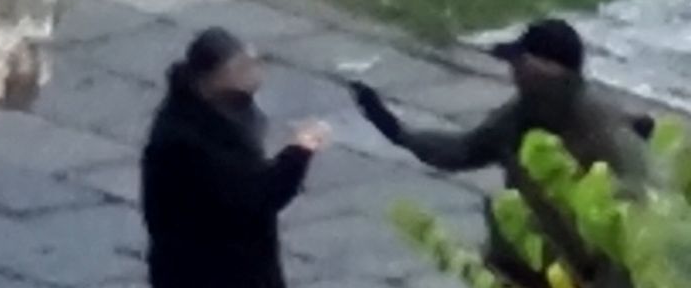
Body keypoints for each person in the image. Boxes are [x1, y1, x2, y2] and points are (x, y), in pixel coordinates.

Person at [350, 18, 653, 286]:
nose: (514, 72)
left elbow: (632, 222)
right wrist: (398, 132)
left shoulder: (604, 130)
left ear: (549, 71)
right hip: (521, 262)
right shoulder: (521, 115)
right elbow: (465, 150)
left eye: (520, 63)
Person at [142, 27, 331, 288]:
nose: (253, 70)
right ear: (210, 79)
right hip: (211, 269)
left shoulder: (216, 107)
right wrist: (298, 152)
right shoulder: (189, 142)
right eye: (241, 67)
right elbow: (257, 195)